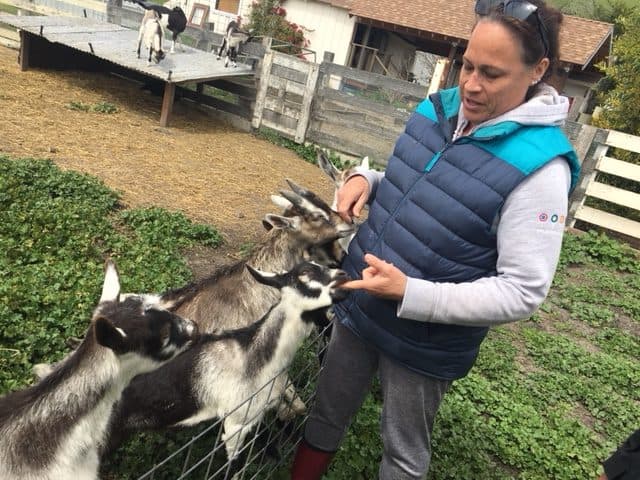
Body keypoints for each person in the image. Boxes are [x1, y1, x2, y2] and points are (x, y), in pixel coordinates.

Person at [290, 0, 581, 478]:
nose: (470, 83)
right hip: (362, 305)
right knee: (326, 412)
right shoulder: (436, 110)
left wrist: (411, 293)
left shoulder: (541, 168)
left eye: (491, 73)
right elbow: (419, 186)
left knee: (403, 452)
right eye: (467, 64)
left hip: (425, 338)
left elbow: (524, 290)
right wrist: (368, 179)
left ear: (538, 70)